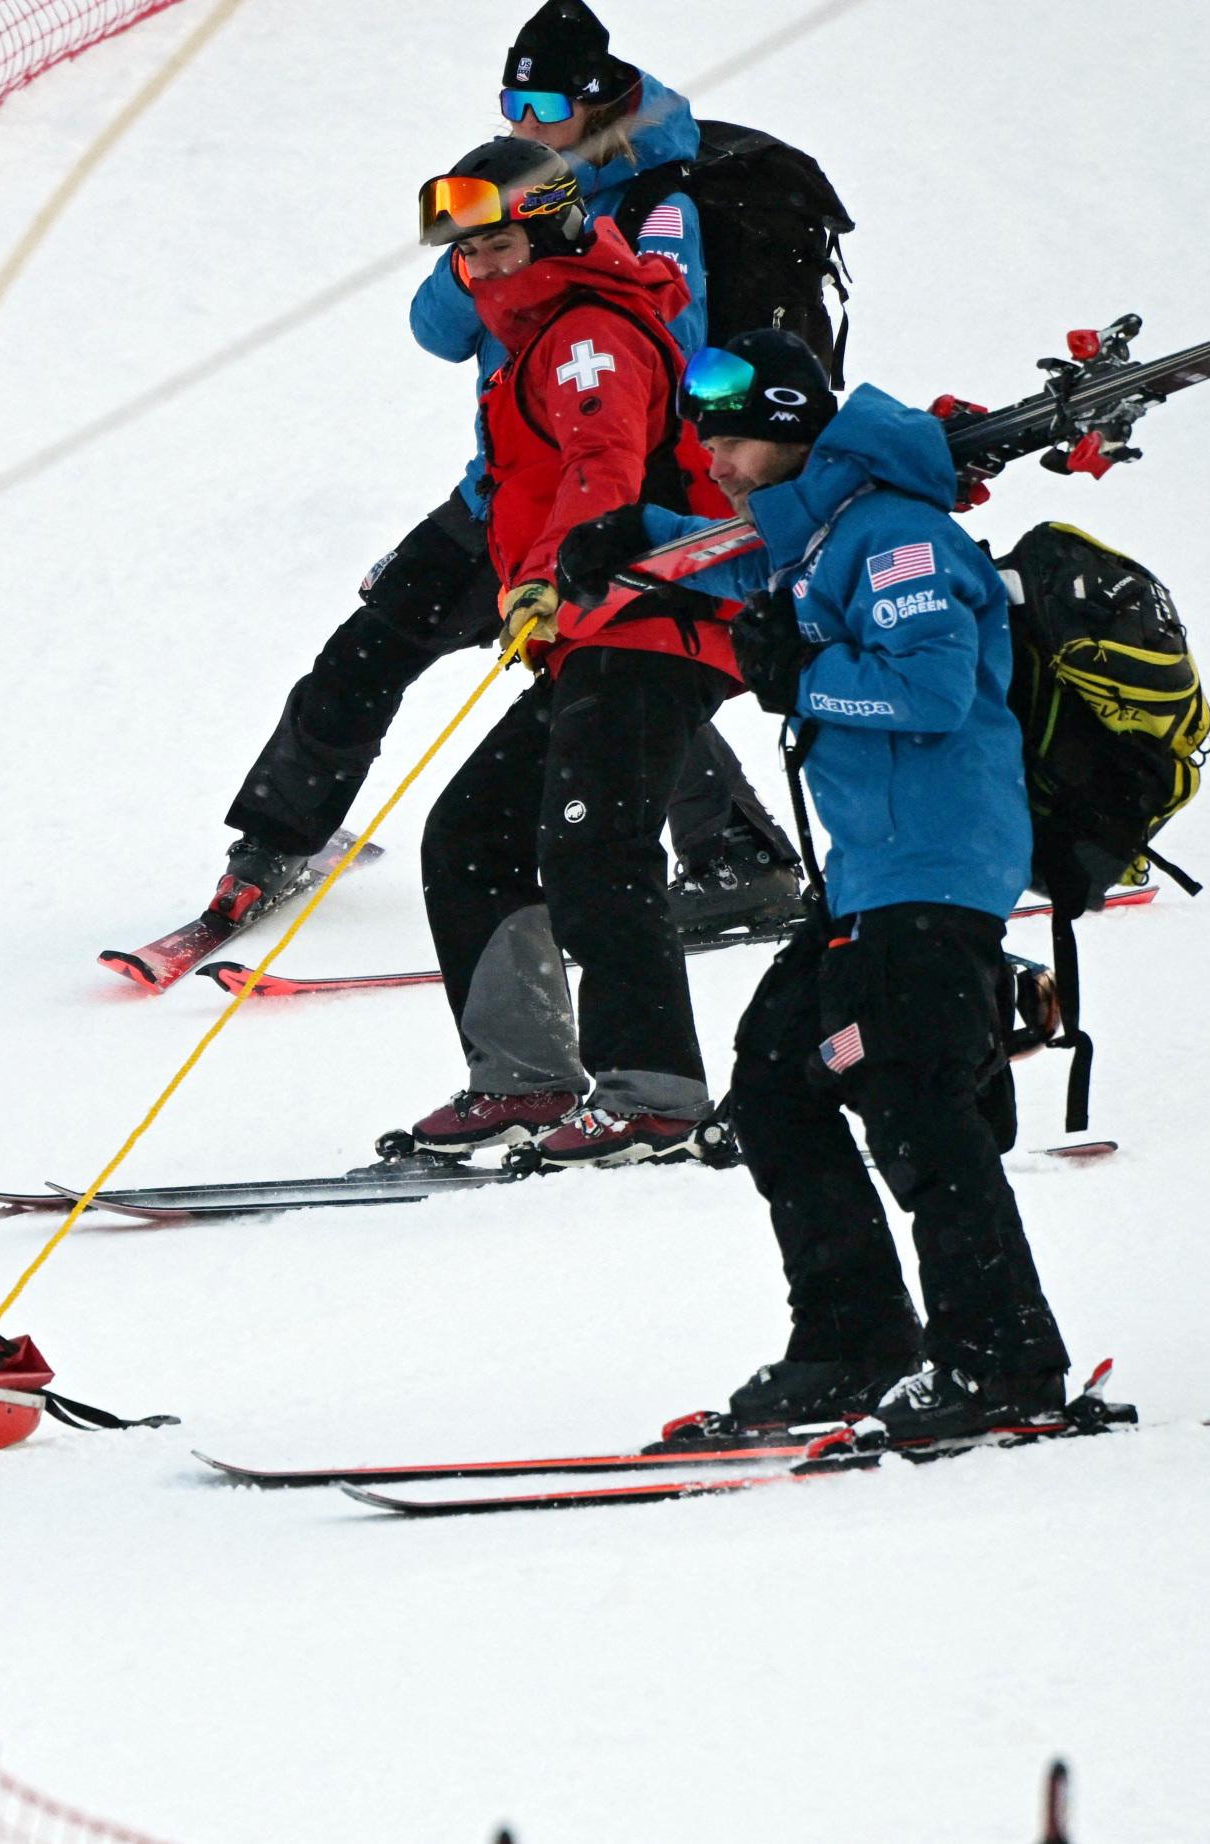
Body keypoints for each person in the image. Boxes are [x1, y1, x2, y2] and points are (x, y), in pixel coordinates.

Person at [560, 330, 1072, 1435]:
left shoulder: (894, 536)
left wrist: (805, 675)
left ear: (793, 426)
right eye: (710, 441)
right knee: (778, 1081)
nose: (721, 461)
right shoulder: (819, 532)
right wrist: (629, 535)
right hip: (868, 876)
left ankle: (1004, 1362)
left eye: (736, 440)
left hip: (934, 869)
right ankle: (854, 1340)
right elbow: (726, 556)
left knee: (913, 1097)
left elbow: (932, 693)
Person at [211, 0, 797, 943]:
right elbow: (435, 332)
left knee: (619, 677)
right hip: (500, 493)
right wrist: (488, 241)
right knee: (376, 642)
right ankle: (276, 842)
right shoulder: (506, 192)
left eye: (543, 102)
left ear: (598, 100)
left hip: (608, 501)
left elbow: (670, 346)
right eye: (510, 99)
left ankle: (740, 862)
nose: (522, 121)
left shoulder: (659, 205)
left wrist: (556, 255)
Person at [398, 138, 742, 1170]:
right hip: (590, 631)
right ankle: (525, 1078)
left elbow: (605, 462)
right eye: (468, 258)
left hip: (651, 620)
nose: (484, 272)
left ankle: (655, 1091)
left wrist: (549, 572)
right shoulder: (539, 331)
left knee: (596, 842)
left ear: (547, 223)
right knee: (472, 831)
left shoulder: (588, 329)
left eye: (498, 246)